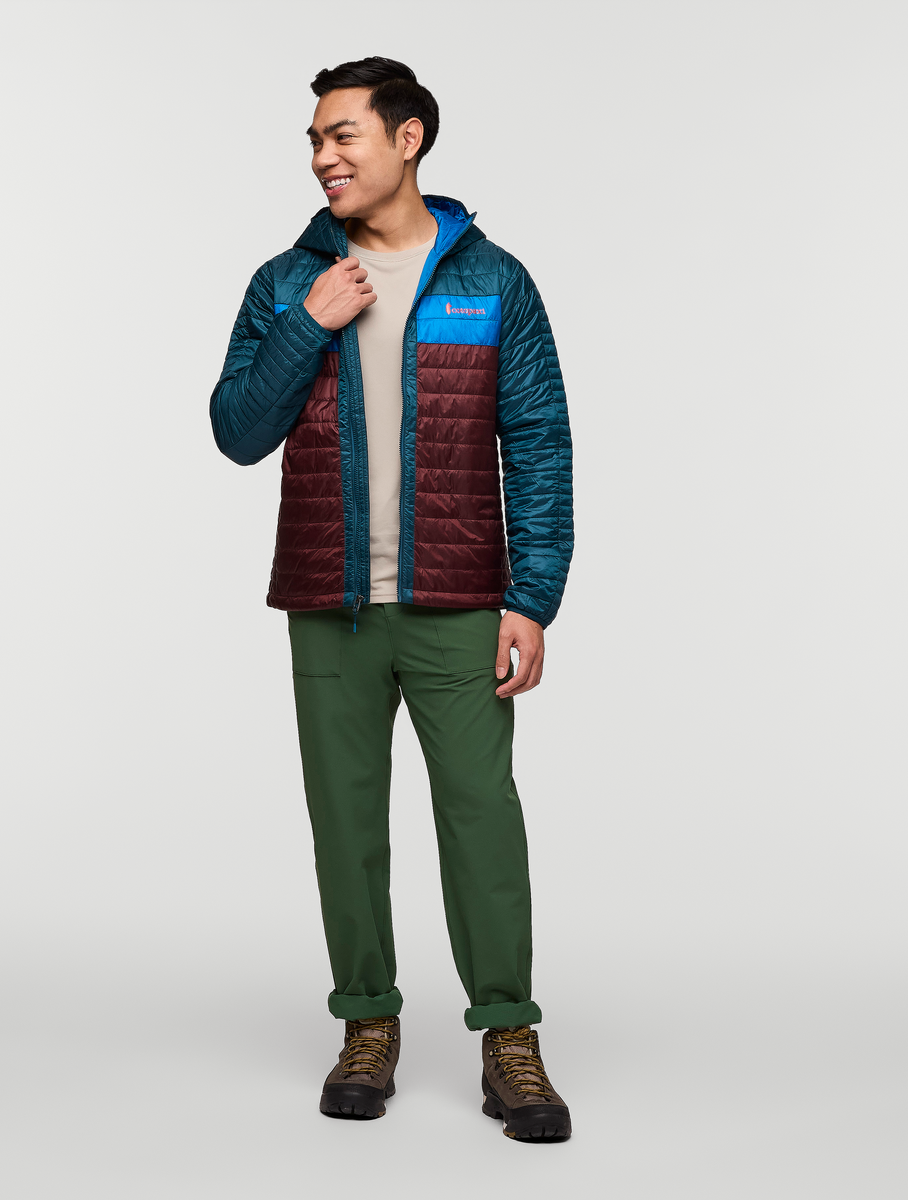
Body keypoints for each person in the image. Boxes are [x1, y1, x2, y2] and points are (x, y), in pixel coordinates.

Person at [210, 57, 574, 1142]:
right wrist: (308, 324)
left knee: (482, 819)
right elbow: (237, 431)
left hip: (459, 600)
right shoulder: (288, 281)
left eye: (343, 135)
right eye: (314, 141)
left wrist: (532, 596)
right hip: (330, 602)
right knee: (346, 826)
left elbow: (538, 443)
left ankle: (508, 1035)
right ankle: (367, 1021)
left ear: (407, 139)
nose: (323, 156)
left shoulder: (493, 281)